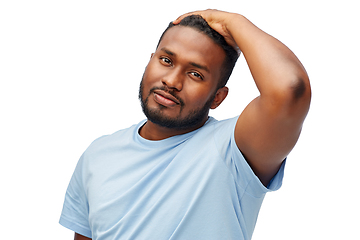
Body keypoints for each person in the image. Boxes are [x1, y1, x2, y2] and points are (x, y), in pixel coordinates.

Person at [60, 9, 311, 240]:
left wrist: (233, 21)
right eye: (166, 60)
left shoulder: (234, 152)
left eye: (195, 74)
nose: (171, 81)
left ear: (217, 97)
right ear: (150, 61)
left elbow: (289, 89)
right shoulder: (97, 155)